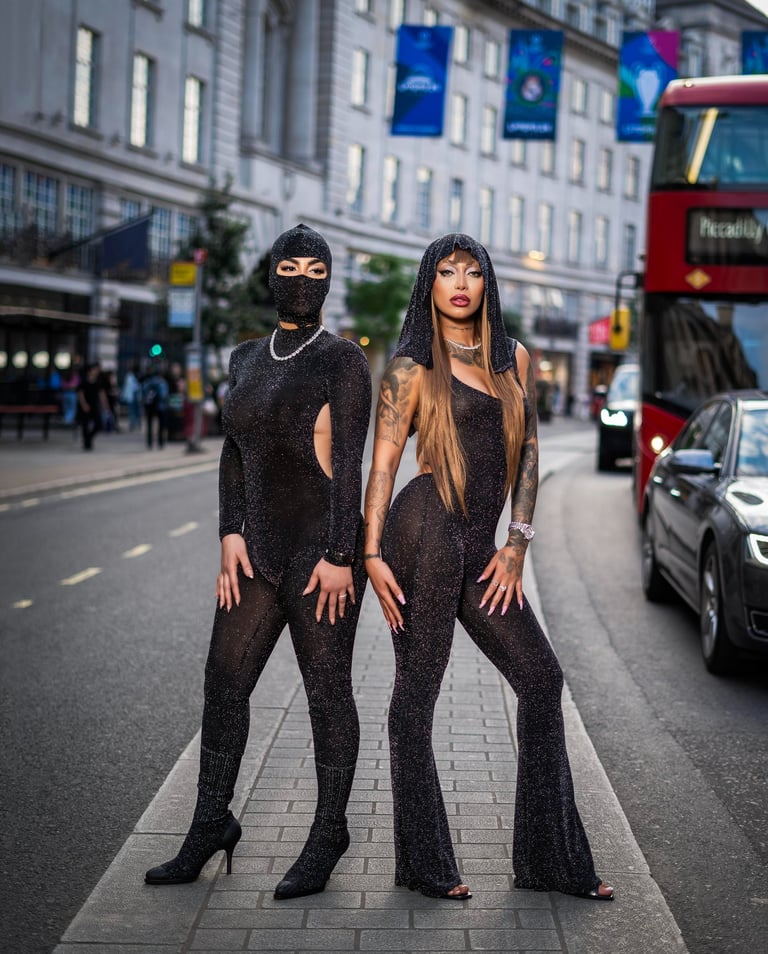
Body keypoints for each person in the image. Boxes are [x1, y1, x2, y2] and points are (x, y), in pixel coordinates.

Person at [363, 233, 614, 902]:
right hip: (423, 532)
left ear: (487, 283)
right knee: (417, 697)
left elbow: (528, 452)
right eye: (446, 271)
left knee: (540, 679)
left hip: (483, 546)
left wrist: (517, 543)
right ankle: (423, 864)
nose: (461, 282)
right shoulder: (411, 366)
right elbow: (384, 464)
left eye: (472, 271)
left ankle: (548, 862)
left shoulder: (515, 360)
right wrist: (368, 554)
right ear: (430, 284)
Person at [144, 224, 372, 900]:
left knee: (327, 692)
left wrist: (340, 555)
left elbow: (351, 466)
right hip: (256, 551)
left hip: (320, 554)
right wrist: (229, 533)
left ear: (329, 279)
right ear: (268, 273)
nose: (301, 276)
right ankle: (211, 823)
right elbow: (235, 453)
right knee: (223, 682)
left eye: (314, 266)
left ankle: (329, 832)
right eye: (289, 265)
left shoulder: (343, 359)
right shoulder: (245, 358)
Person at [76, 362, 107, 451]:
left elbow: (102, 394)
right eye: (95, 369)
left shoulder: (98, 381)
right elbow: (80, 393)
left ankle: (88, 439)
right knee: (85, 425)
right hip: (85, 405)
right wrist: (84, 404)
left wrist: (105, 405)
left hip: (94, 405)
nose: (96, 371)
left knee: (99, 424)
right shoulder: (84, 381)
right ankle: (87, 443)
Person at [142, 365, 170, 449]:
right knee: (161, 425)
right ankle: (160, 442)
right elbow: (164, 395)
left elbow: (143, 393)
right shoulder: (162, 382)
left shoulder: (148, 382)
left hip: (150, 406)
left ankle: (149, 443)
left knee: (150, 425)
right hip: (160, 406)